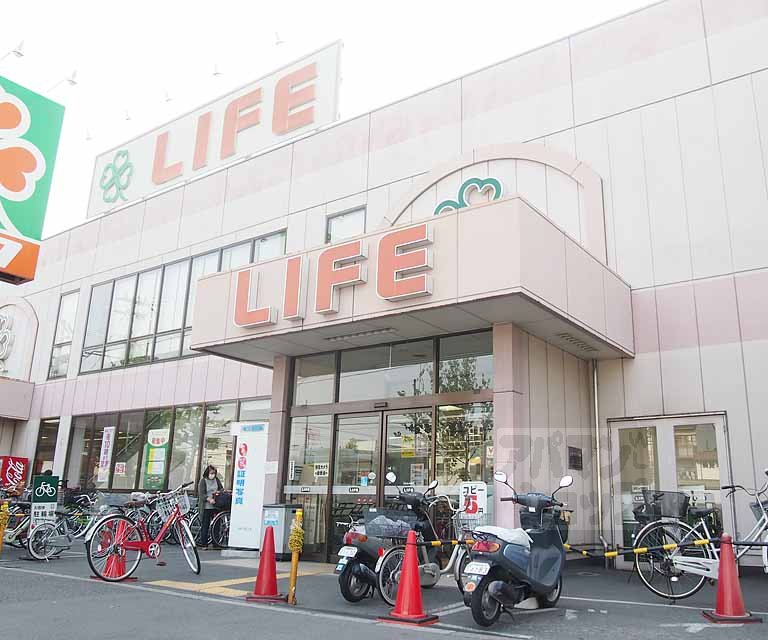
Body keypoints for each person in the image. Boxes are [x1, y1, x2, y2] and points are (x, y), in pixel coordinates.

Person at [198, 465, 223, 549]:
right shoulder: (203, 481)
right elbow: (201, 494)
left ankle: (216, 544)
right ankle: (204, 544)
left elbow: (221, 489)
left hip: (216, 506)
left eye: (214, 473)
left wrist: (218, 492)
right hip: (206, 507)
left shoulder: (217, 480)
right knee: (205, 525)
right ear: (207, 473)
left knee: (216, 525)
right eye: (211, 473)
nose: (213, 475)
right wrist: (209, 499)